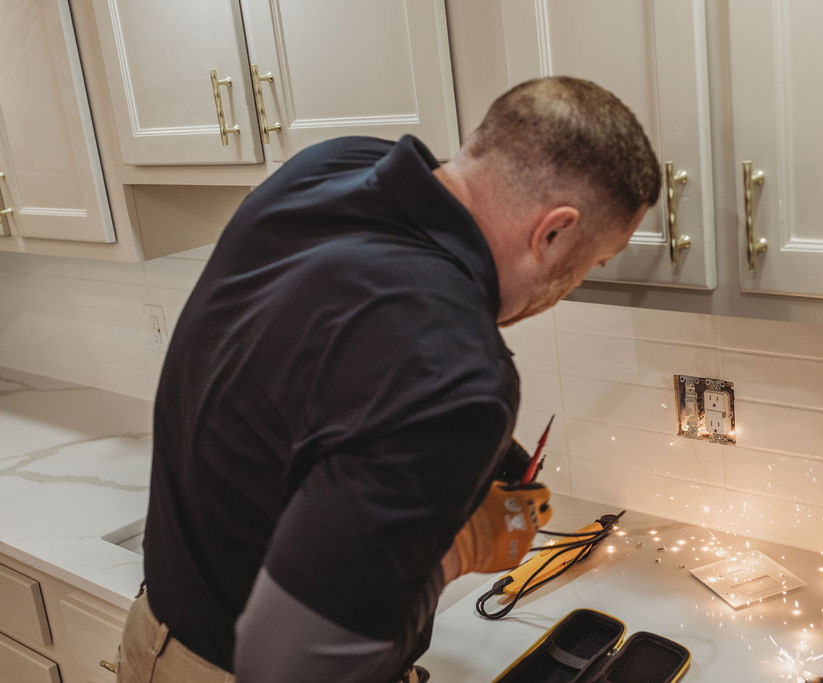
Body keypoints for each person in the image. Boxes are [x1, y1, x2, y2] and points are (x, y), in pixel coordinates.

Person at [116, 76, 661, 683]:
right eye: (591, 262)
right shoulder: (454, 367)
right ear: (554, 232)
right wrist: (457, 550)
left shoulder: (328, 166)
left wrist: (429, 455)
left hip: (152, 636)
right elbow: (288, 667)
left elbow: (330, 370)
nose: (576, 281)